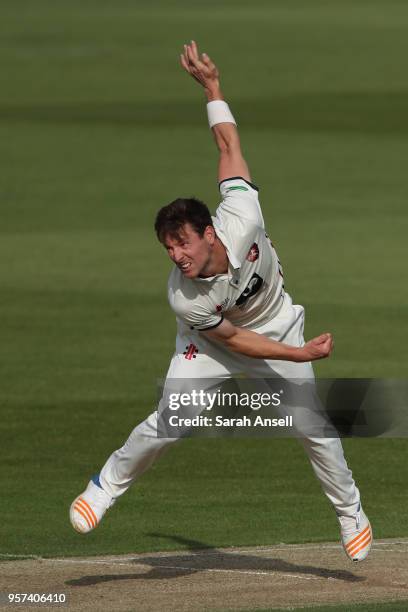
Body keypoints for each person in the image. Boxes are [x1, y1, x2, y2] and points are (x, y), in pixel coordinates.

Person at [70, 41, 372, 562]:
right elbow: (235, 342)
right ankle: (105, 485)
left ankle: (351, 514)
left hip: (277, 323)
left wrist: (213, 89)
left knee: (313, 428)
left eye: (182, 242)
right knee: (173, 416)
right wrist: (302, 357)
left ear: (209, 232)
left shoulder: (243, 213)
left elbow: (228, 146)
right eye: (167, 247)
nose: (176, 255)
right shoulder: (183, 296)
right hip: (217, 340)